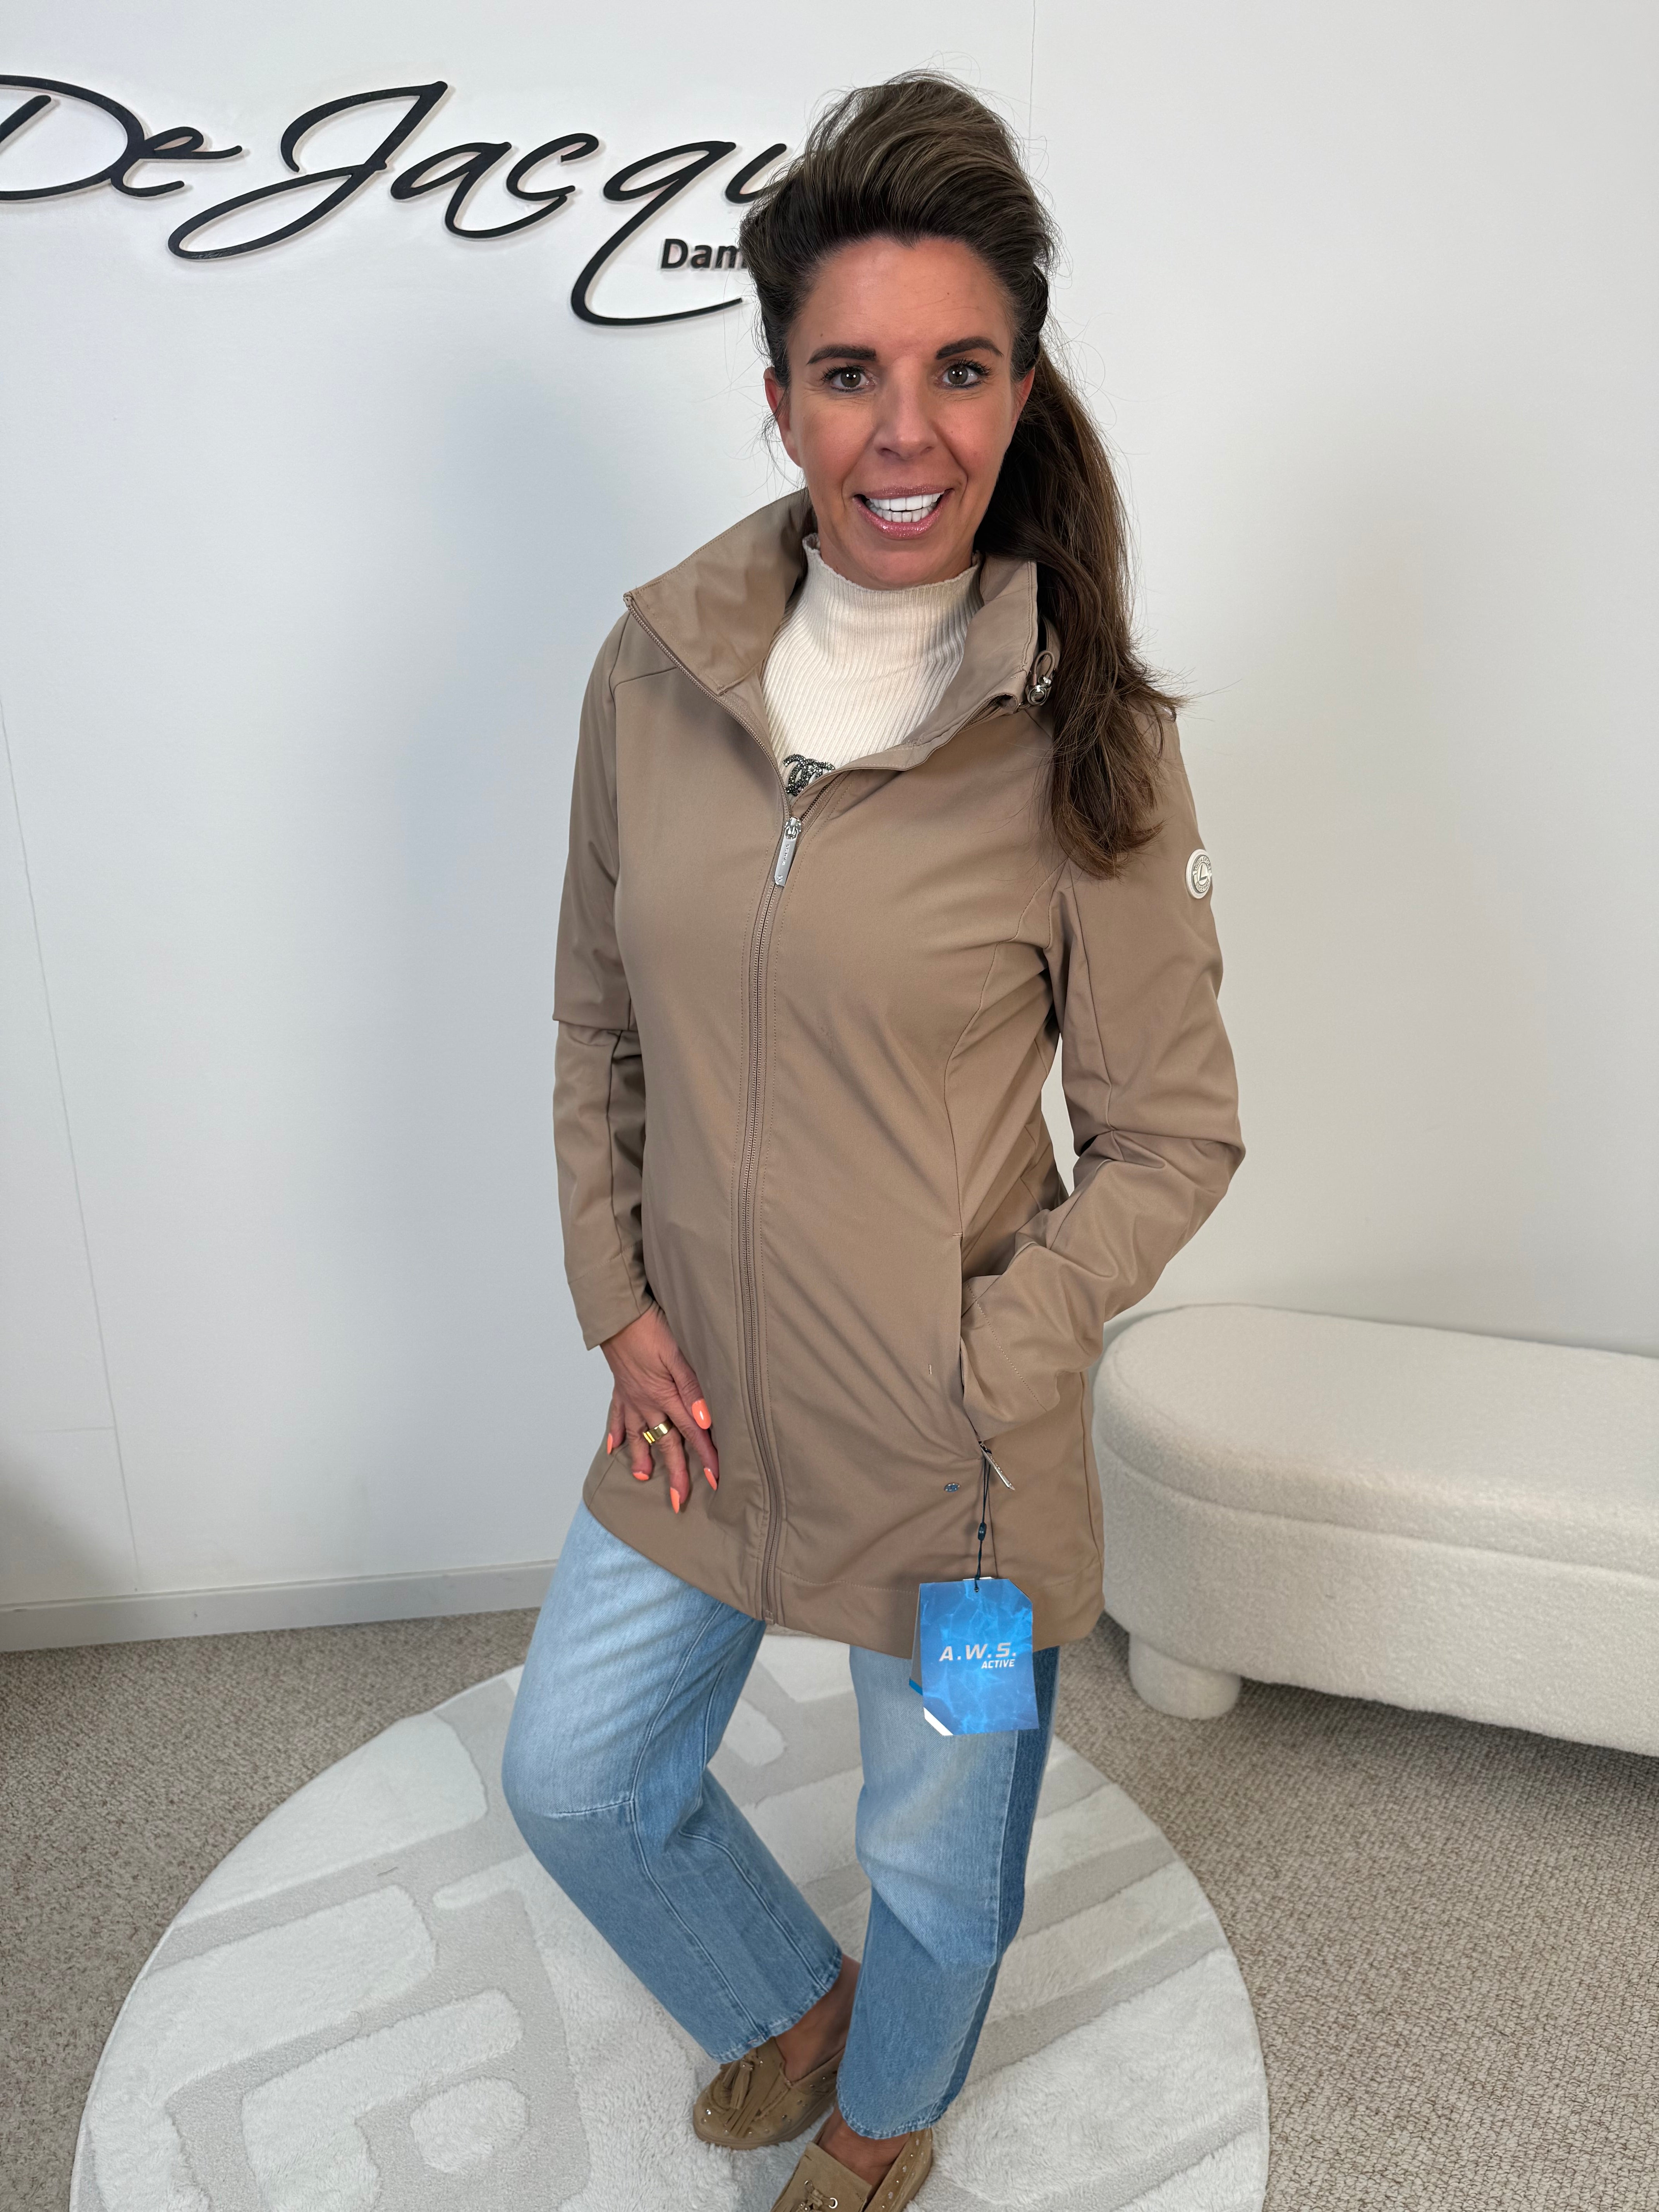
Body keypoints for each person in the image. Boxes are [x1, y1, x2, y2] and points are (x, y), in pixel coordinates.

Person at [501, 71, 1243, 2212]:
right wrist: (617, 1301)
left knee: (940, 1851)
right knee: (574, 1775)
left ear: (1021, 389)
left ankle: (887, 2113)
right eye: (850, 374)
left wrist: (994, 1357)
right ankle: (794, 1999)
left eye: (959, 369)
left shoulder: (1089, 739)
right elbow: (596, 1012)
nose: (904, 431)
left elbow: (1175, 1134)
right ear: (779, 398)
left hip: (956, 1470)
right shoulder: (655, 673)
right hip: (702, 1408)